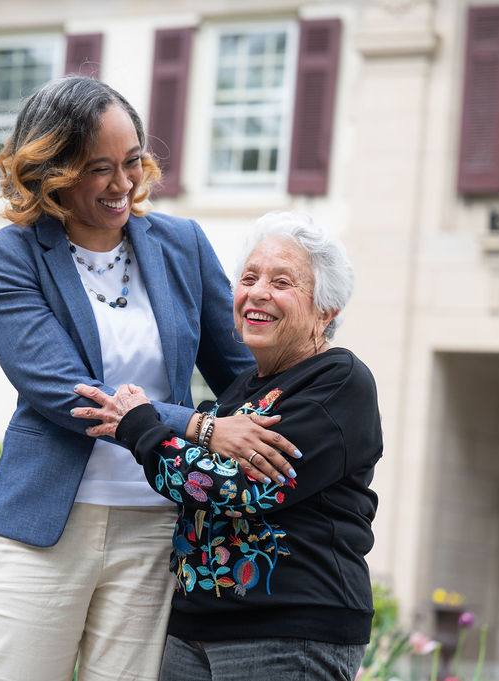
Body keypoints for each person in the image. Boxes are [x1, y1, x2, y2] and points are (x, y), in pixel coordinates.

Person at [0, 75, 299, 681]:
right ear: (52, 170)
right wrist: (200, 427)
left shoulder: (181, 244)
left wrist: (316, 401)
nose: (124, 184)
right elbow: (69, 394)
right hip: (42, 530)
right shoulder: (7, 256)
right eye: (99, 168)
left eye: (133, 161)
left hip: (154, 526)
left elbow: (246, 375)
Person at [72, 210, 381, 681]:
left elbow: (241, 490)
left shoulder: (338, 381)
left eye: (282, 282)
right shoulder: (240, 391)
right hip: (194, 626)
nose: (257, 292)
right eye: (249, 277)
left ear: (326, 310)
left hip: (289, 631)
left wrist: (141, 428)